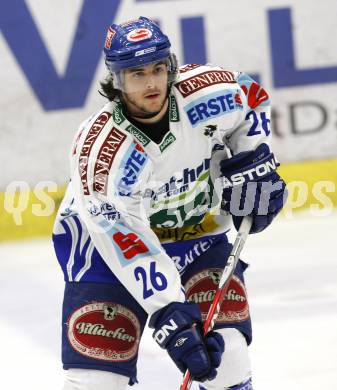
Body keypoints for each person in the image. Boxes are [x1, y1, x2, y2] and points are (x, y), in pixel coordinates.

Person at [53, 16, 287, 390]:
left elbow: (252, 96)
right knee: (95, 381)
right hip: (106, 255)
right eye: (136, 74)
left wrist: (252, 162)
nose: (151, 83)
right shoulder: (101, 152)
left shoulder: (207, 93)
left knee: (228, 358)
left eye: (158, 69)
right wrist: (168, 309)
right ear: (116, 80)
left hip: (199, 237)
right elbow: (120, 236)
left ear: (171, 67)